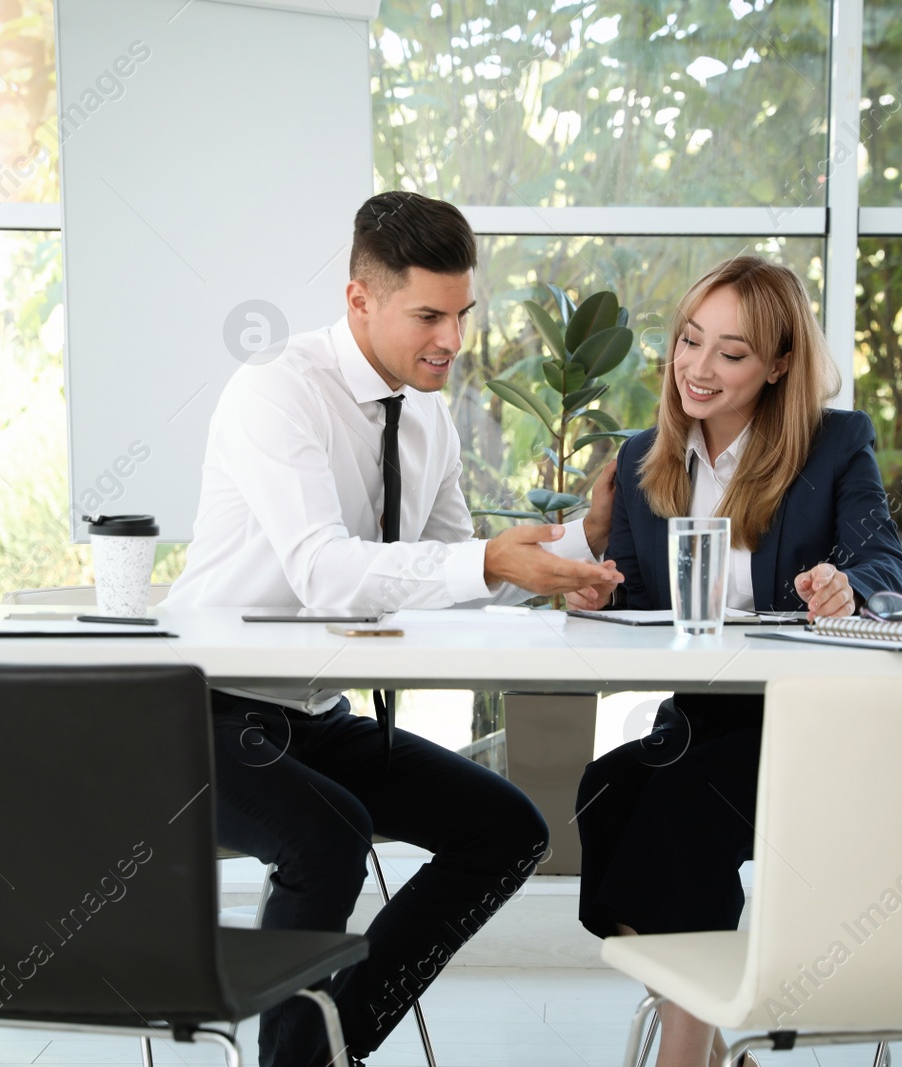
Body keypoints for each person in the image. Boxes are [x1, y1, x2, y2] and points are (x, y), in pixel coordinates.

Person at [160, 190, 622, 1067]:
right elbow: (323, 568)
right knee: (326, 837)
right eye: (428, 315)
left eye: (461, 314)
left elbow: (455, 567)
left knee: (508, 830)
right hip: (204, 710)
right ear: (359, 301)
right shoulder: (278, 391)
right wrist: (488, 561)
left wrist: (579, 545)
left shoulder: (429, 420)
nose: (452, 339)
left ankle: (328, 1043)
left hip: (315, 712)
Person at [564, 255, 902, 1067]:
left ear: (779, 364)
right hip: (700, 714)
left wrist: (846, 585)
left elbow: (888, 565)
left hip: (807, 720)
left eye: (732, 352)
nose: (699, 367)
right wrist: (594, 592)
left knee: (685, 804)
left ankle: (684, 1056)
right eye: (691, 341)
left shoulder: (834, 444)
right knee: (605, 792)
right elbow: (634, 596)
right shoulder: (646, 452)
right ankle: (719, 1042)